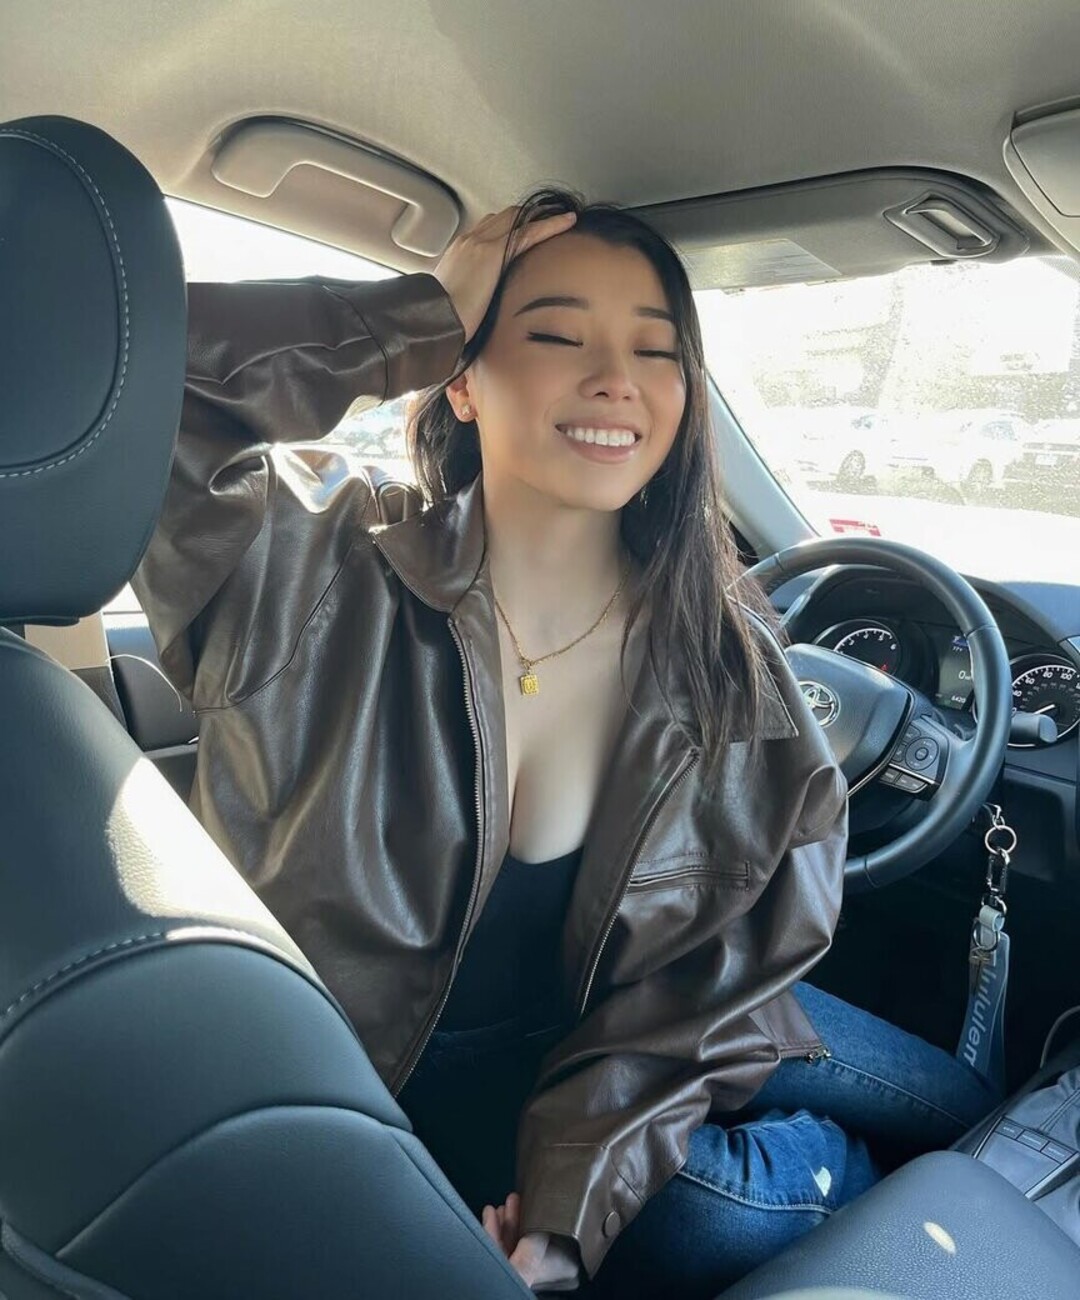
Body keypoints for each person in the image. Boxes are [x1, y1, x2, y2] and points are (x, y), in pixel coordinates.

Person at [133, 190, 999, 1296]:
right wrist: (417, 312)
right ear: (459, 372)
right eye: (554, 334)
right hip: (379, 1116)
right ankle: (858, 1176)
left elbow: (699, 1000)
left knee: (967, 1108)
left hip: (629, 1059)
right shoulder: (306, 574)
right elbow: (128, 391)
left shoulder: (731, 668)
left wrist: (575, 1196)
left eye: (657, 350)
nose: (616, 379)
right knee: (708, 1218)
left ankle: (971, 1165)